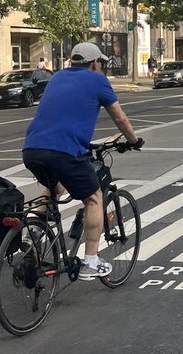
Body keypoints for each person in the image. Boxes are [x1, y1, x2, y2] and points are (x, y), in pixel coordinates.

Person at [22, 41, 143, 280]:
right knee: (94, 197)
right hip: (64, 151)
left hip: (32, 149)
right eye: (101, 64)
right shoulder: (97, 80)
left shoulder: (56, 77)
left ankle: (33, 231)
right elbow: (119, 117)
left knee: (53, 187)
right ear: (95, 64)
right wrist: (133, 140)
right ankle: (91, 261)